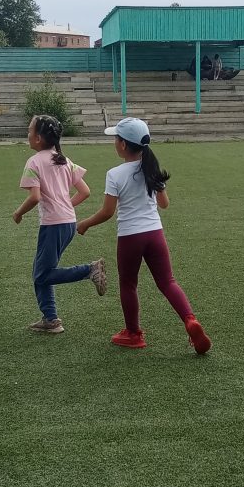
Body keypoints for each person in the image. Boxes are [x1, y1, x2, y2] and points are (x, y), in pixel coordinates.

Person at [77, 117, 211, 354]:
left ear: (123, 145)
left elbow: (107, 212)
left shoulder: (114, 174)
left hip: (130, 237)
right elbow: (164, 204)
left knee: (128, 284)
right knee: (168, 282)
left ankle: (133, 334)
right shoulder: (152, 169)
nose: (114, 143)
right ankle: (190, 320)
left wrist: (85, 224)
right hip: (155, 234)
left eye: (116, 139)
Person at [13, 114, 107, 334]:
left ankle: (89, 270)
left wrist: (18, 213)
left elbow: (35, 197)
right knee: (41, 271)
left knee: (42, 274)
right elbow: (85, 191)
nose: (27, 134)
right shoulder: (63, 160)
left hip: (53, 225)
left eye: (29, 130)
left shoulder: (35, 161)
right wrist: (65, 206)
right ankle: (51, 319)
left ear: (38, 138)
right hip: (68, 223)